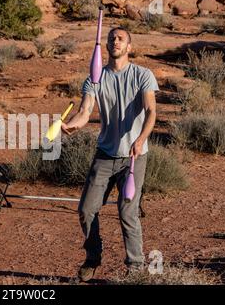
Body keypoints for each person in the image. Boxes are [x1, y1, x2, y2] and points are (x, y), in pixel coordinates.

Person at [61, 27, 158, 282]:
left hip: (135, 156)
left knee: (127, 212)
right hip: (105, 154)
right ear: (105, 45)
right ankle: (93, 258)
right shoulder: (95, 77)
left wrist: (140, 139)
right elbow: (84, 111)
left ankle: (135, 267)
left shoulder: (142, 75)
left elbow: (151, 112)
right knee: (86, 209)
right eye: (111, 38)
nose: (115, 41)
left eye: (121, 39)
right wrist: (71, 124)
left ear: (129, 47)